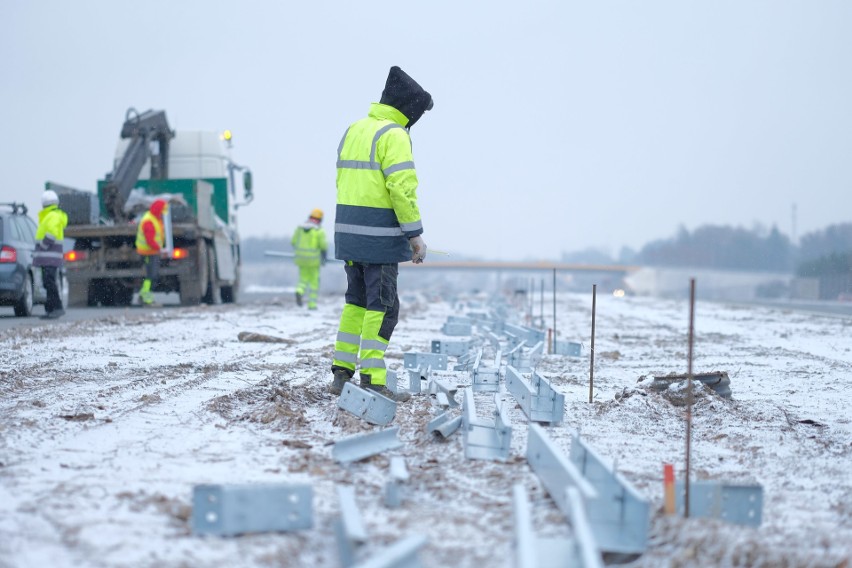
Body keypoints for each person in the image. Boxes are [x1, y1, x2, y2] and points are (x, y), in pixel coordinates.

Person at [329, 66, 433, 402]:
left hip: (349, 235)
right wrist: (414, 235)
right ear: (408, 110)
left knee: (355, 303)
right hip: (379, 239)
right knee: (383, 307)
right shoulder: (394, 135)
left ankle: (341, 374)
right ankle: (373, 379)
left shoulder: (354, 129)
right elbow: (401, 189)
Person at [33, 189, 68, 319]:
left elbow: (51, 234)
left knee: (49, 282)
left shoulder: (52, 216)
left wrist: (42, 246)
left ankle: (57, 308)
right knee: (48, 282)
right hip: (49, 258)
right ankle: (50, 309)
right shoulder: (51, 216)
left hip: (49, 257)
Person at [291, 208, 328, 310]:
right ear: (320, 219)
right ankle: (312, 305)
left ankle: (299, 291)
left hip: (301, 260)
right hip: (313, 261)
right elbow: (323, 246)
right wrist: (324, 257)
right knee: (314, 282)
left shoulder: (299, 228)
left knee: (302, 280)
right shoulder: (319, 230)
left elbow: (293, 241)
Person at [135, 198, 168, 306]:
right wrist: (160, 249)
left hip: (151, 252)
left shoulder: (154, 218)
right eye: (162, 210)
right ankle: (147, 299)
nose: (163, 213)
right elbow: (150, 240)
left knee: (150, 276)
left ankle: (143, 296)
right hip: (148, 252)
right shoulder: (149, 221)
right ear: (158, 210)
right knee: (151, 276)